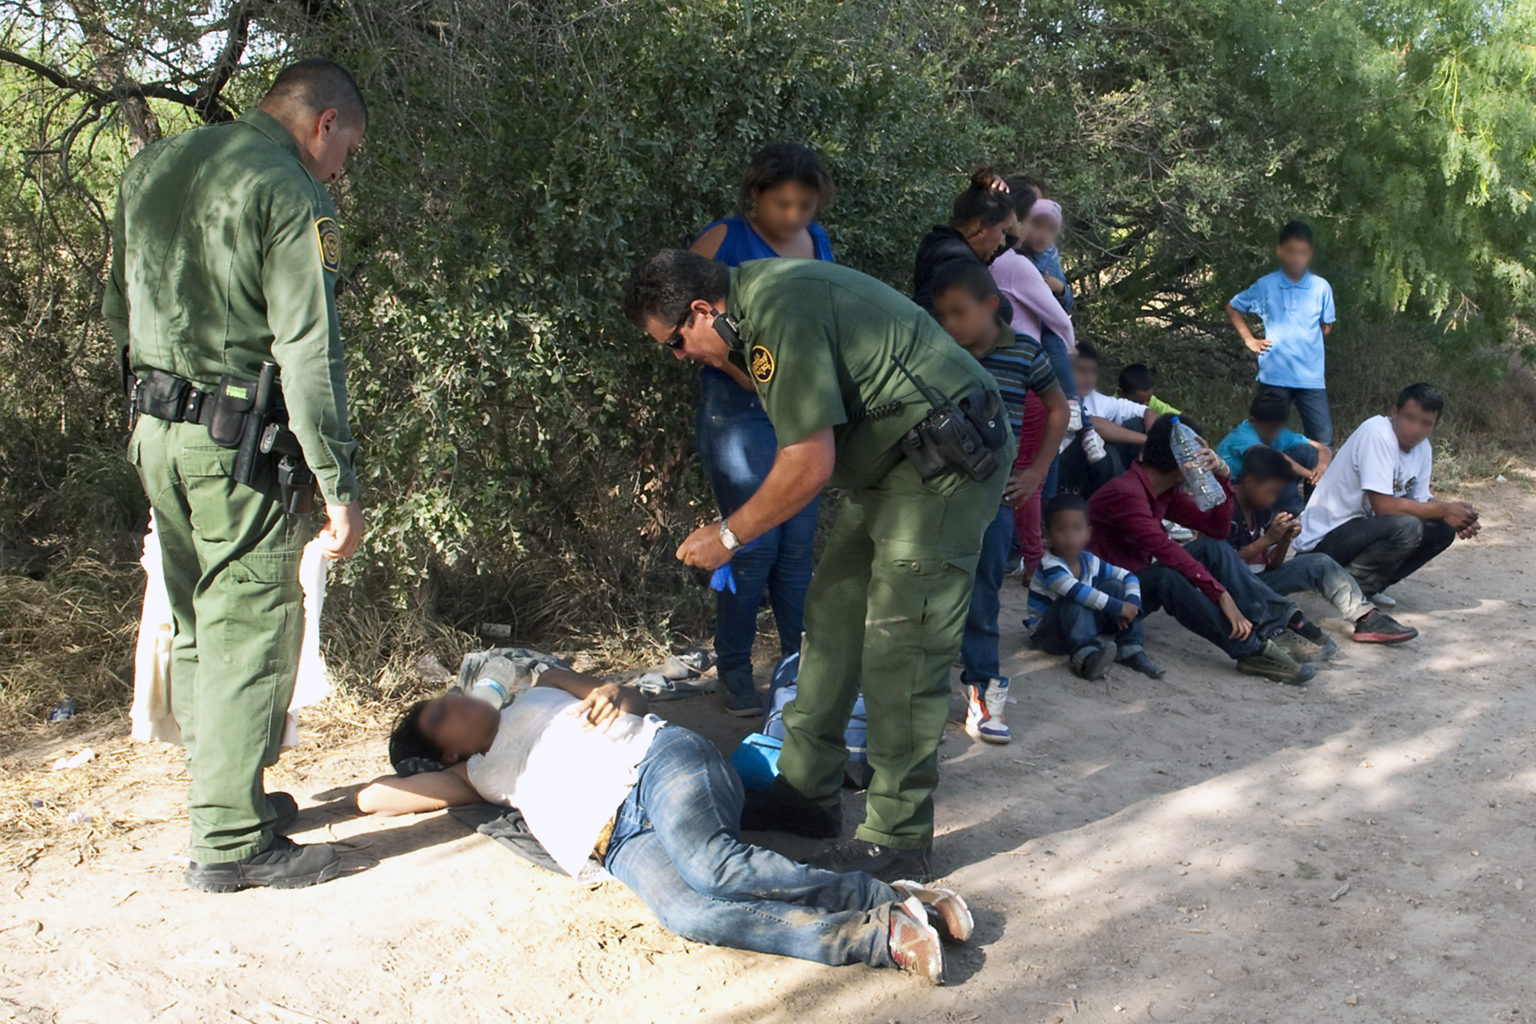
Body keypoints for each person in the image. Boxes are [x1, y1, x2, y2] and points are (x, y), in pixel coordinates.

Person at [623, 251, 1011, 881]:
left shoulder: (777, 311)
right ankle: (806, 792)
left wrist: (728, 535)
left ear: (700, 310)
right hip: (893, 461)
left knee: (901, 646)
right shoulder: (753, 313)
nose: (678, 355)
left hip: (943, 462)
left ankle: (898, 836)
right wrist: (722, 358)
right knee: (831, 616)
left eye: (675, 341)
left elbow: (808, 462)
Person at [103, 59, 368, 892]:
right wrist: (337, 481)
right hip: (236, 447)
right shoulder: (290, 190)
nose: (341, 171)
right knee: (250, 623)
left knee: (195, 619)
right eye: (348, 152)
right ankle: (230, 842)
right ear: (325, 123)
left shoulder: (155, 165)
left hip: (156, 430)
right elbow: (308, 349)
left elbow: (117, 310)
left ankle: (228, 795)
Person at [355, 669, 970, 983]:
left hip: (657, 762)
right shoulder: (473, 776)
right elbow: (371, 799)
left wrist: (614, 690)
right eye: (441, 715)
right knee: (688, 913)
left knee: (712, 867)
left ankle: (882, 894)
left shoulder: (541, 688)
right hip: (617, 840)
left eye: (449, 697)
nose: (457, 701)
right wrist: (421, 766)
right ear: (446, 753)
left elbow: (632, 702)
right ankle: (882, 936)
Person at [687, 143, 836, 716]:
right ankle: (733, 671)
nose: (794, 216)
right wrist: (739, 371)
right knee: (751, 543)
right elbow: (682, 319)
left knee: (797, 551)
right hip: (738, 411)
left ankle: (798, 674)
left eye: (805, 205)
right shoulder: (723, 238)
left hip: (797, 408)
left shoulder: (817, 242)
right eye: (782, 204)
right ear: (755, 195)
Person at [929, 262, 1069, 745]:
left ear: (990, 305)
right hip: (935, 494)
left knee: (983, 593)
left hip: (994, 499)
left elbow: (1059, 409)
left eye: (958, 313)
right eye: (942, 314)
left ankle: (981, 692)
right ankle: (920, 698)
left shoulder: (1025, 352)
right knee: (929, 590)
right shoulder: (939, 350)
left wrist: (1036, 472)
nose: (949, 323)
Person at [1087, 416, 1322, 685]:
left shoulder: (1164, 491)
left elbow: (1217, 531)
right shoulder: (1127, 493)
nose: (1202, 462)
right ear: (1183, 460)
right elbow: (1166, 551)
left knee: (1213, 548)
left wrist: (1222, 477)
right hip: (1102, 602)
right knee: (1166, 577)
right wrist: (1221, 594)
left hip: (1132, 591)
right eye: (1198, 455)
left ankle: (1272, 630)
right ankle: (1251, 651)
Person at [1295, 383, 1479, 603]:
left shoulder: (1423, 449)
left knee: (1442, 529)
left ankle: (1368, 586)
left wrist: (1458, 517)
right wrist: (1444, 510)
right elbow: (1383, 507)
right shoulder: (1377, 433)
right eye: (1410, 418)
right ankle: (1347, 588)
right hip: (1321, 544)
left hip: (1361, 532)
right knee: (1407, 526)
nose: (1416, 428)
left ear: (1435, 425)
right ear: (1394, 413)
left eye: (1425, 423)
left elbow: (1421, 501)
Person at [988, 175, 1106, 504]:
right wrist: (1068, 345)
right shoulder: (1014, 264)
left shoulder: (1039, 256)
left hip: (1032, 363)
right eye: (1032, 218)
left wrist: (1059, 287)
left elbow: (1063, 302)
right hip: (1029, 369)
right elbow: (1059, 318)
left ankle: (1042, 523)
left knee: (1039, 462)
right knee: (1032, 465)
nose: (1038, 231)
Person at [1229, 447, 1418, 643]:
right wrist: (1267, 540)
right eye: (1271, 492)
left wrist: (1284, 539)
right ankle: (1286, 624)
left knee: (1320, 562)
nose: (1274, 499)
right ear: (1250, 483)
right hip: (1237, 591)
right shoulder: (1226, 510)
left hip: (1263, 582)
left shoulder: (1262, 507)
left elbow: (1271, 566)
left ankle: (1365, 616)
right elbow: (1223, 565)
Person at [1026, 494, 1164, 679]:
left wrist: (1132, 603)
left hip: (1080, 624)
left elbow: (1127, 576)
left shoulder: (1089, 560)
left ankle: (1130, 647)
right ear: (1047, 533)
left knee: (1115, 586)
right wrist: (1119, 607)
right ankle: (1085, 657)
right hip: (1050, 634)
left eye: (1077, 529)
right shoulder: (1049, 566)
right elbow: (1077, 592)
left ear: (1088, 533)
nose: (1070, 537)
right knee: (1075, 598)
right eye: (1061, 529)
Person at [1225, 221, 1337, 444]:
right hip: (1275, 376)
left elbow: (1326, 325)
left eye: (1302, 253)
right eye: (1291, 251)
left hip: (1310, 378)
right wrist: (1249, 340)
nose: (1296, 258)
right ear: (1280, 251)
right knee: (1265, 436)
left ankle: (1314, 469)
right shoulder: (1266, 285)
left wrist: (1306, 342)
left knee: (1323, 439)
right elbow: (1233, 307)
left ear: (1310, 253)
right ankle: (1267, 468)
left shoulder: (1320, 287)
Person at [913, 167, 1016, 320]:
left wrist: (1003, 196)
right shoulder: (956, 261)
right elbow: (926, 314)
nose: (1003, 242)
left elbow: (1014, 236)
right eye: (1003, 231)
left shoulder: (949, 248)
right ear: (982, 225)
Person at [1057, 341, 1157, 492]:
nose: (1089, 378)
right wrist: (1147, 440)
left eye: (1093, 371)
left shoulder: (1095, 398)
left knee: (1138, 424)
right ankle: (1126, 493)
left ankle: (1143, 488)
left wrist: (1151, 442)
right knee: (1102, 448)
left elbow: (1148, 412)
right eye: (1081, 371)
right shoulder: (1056, 395)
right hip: (1063, 471)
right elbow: (1092, 424)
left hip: (1093, 471)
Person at [1215, 390, 1333, 517]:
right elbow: (1272, 457)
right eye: (1270, 429)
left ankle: (1315, 504)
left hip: (1263, 480)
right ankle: (1296, 511)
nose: (1275, 434)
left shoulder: (1281, 432)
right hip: (1234, 486)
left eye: (1278, 428)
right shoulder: (1243, 435)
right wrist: (1310, 475)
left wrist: (1321, 468)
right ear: (1253, 422)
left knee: (1308, 451)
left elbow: (1322, 448)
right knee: (1274, 468)